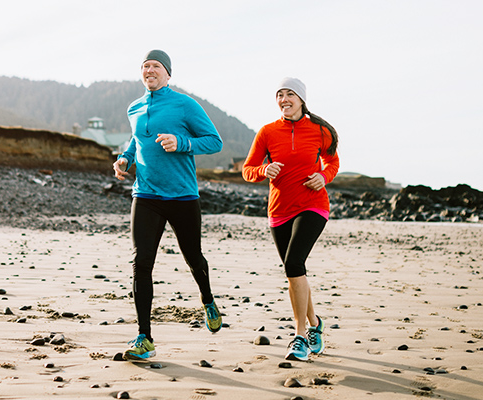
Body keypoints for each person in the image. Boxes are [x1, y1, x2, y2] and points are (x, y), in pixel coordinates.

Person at [113, 49, 224, 360]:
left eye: (156, 66)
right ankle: (144, 337)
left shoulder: (185, 104)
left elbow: (214, 141)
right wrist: (125, 158)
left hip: (182, 196)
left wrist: (182, 143)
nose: (149, 70)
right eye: (145, 66)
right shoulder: (134, 107)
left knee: (193, 258)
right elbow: (137, 139)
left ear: (168, 73)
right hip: (145, 195)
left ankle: (207, 299)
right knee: (140, 262)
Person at [241, 77, 339, 361]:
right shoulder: (267, 132)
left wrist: (323, 176)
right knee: (296, 271)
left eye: (290, 94)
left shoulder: (320, 131)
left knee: (294, 264)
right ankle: (315, 324)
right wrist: (264, 170)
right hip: (279, 210)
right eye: (280, 95)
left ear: (301, 99)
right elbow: (248, 169)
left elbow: (333, 163)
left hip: (312, 205)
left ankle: (299, 337)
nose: (284, 99)